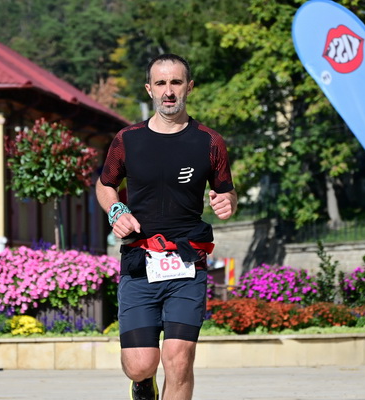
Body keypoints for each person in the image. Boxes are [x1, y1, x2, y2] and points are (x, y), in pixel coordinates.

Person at [96, 53, 237, 400]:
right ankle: (143, 382)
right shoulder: (128, 139)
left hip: (188, 262)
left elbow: (226, 191)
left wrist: (228, 202)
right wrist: (116, 210)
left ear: (189, 87)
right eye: (161, 83)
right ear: (149, 89)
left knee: (179, 360)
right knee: (140, 364)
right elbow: (105, 184)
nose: (168, 91)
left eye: (176, 82)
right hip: (139, 262)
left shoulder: (209, 141)